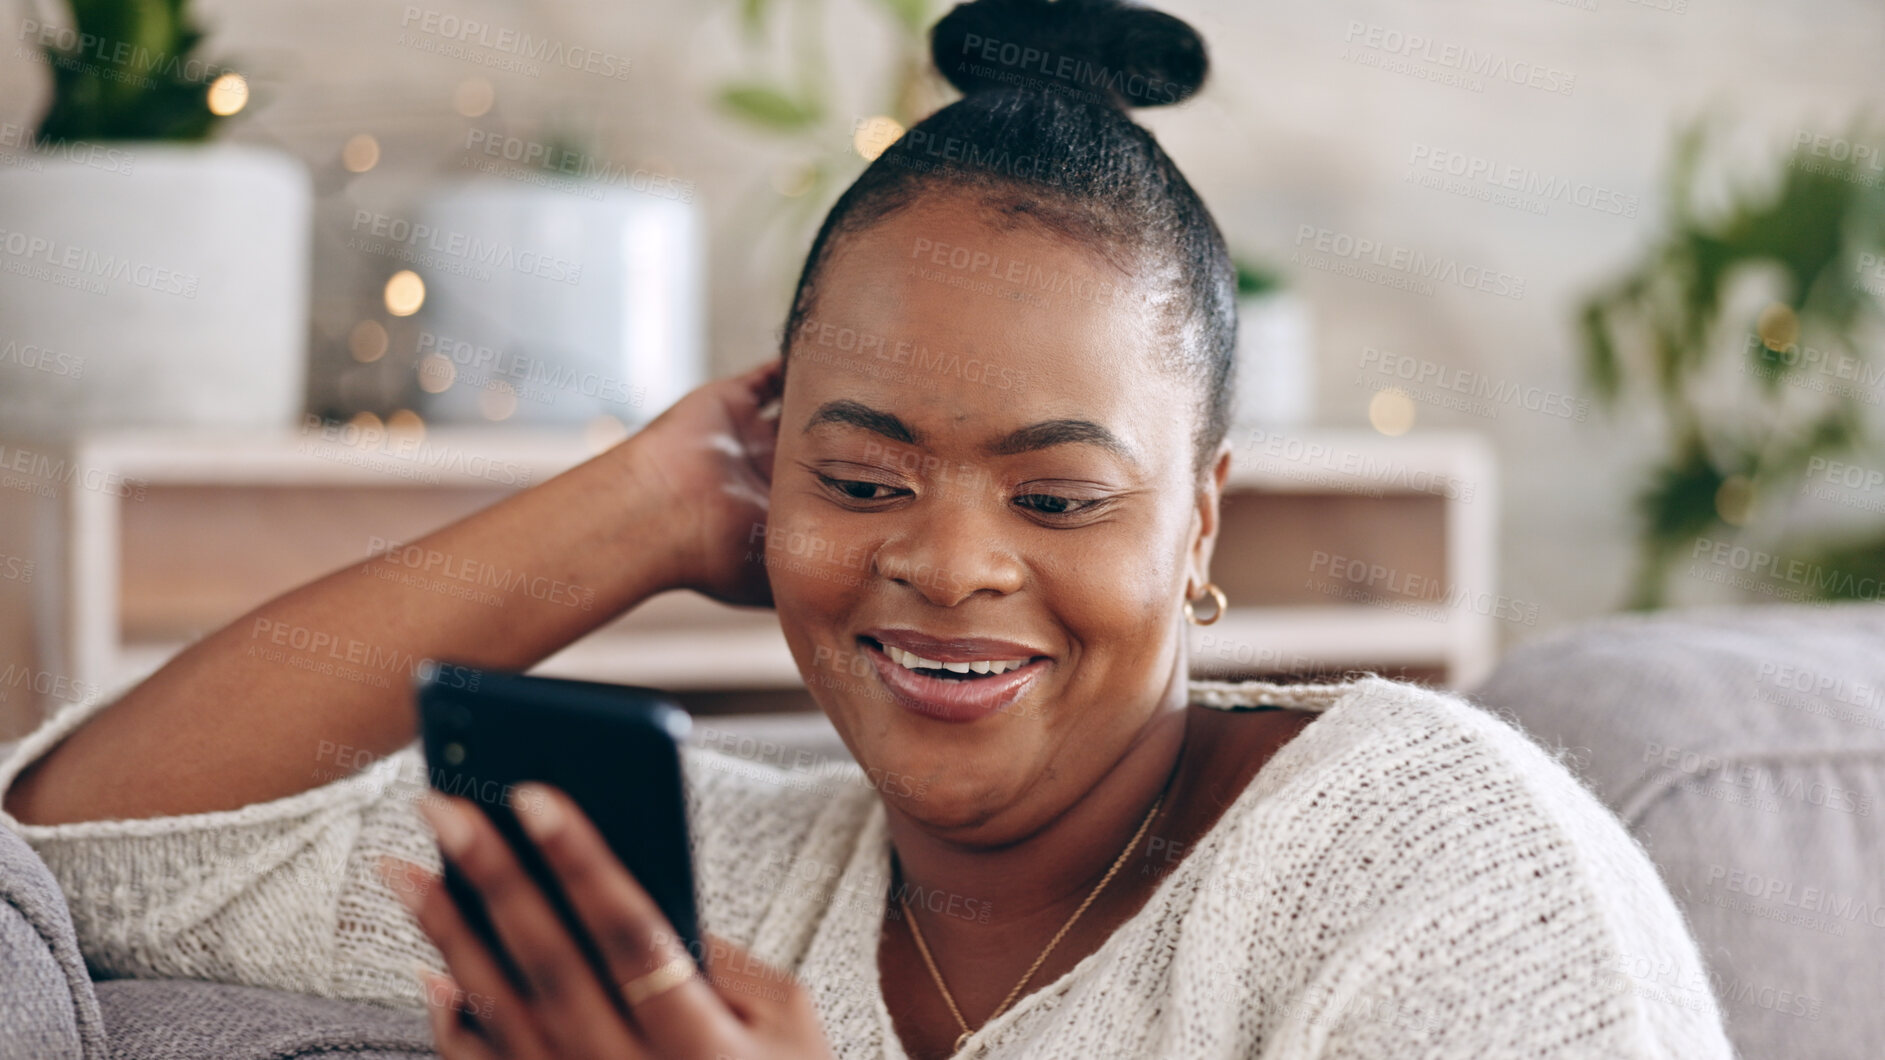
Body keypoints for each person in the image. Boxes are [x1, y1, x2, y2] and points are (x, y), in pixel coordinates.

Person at [0, 0, 1734, 1057]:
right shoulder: (721, 880)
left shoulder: (1425, 865)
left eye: (1056, 496)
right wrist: (639, 502)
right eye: (862, 478)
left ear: (1201, 515)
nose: (950, 562)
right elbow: (93, 841)